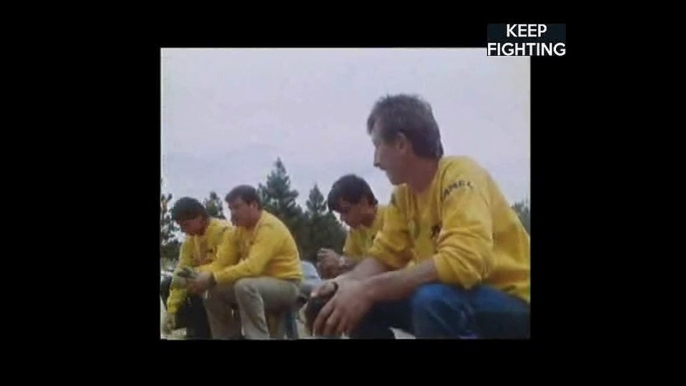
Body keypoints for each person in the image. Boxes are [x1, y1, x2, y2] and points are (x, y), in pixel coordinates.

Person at [310, 94, 530, 339]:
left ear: (401, 144)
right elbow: (383, 258)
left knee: (432, 300)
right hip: (457, 297)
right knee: (353, 304)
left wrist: (367, 289)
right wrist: (341, 285)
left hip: (512, 300)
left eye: (377, 145)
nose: (375, 160)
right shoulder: (403, 196)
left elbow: (463, 263)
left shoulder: (461, 176)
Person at [186, 185, 304, 340]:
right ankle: (227, 336)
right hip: (259, 283)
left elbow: (252, 268)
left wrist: (212, 277)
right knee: (212, 290)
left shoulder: (269, 227)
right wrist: (198, 274)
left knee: (245, 286)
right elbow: (221, 263)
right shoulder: (237, 231)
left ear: (253, 205)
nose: (233, 213)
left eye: (237, 207)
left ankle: (257, 337)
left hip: (287, 284)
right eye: (230, 208)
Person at [161, 197, 232, 339]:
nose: (183, 231)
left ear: (200, 218)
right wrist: (172, 310)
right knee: (169, 283)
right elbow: (181, 273)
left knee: (197, 283)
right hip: (202, 279)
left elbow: (226, 264)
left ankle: (206, 332)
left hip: (228, 279)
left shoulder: (224, 231)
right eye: (180, 226)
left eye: (186, 225)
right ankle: (191, 327)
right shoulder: (190, 240)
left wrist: (196, 273)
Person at [317, 174, 387, 279]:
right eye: (340, 213)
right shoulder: (356, 230)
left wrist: (341, 262)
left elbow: (388, 265)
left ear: (364, 202)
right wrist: (332, 270)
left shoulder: (390, 217)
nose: (342, 218)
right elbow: (351, 267)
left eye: (346, 211)